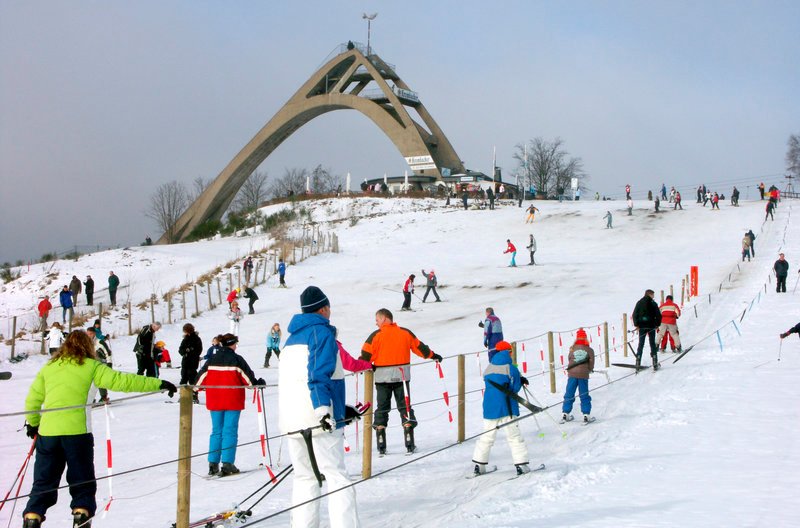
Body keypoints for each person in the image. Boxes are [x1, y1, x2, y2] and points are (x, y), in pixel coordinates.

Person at [22, 330, 174, 528]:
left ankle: (32, 517)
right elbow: (124, 381)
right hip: (77, 434)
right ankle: (81, 515)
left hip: (48, 434)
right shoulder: (93, 367)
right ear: (88, 346)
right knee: (81, 479)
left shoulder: (49, 367)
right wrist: (158, 383)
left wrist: (33, 424)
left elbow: (32, 399)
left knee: (43, 481)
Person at [278, 286, 361, 527]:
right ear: (323, 308)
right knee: (336, 476)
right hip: (318, 419)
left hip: (292, 419)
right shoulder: (321, 334)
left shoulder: (291, 340)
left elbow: (298, 383)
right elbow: (318, 375)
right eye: (329, 307)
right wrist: (324, 409)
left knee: (305, 478)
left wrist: (339, 408)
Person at [360, 308, 441, 455]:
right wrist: (433, 355)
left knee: (382, 408)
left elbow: (365, 355)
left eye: (377, 320)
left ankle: (381, 442)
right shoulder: (405, 333)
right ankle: (409, 440)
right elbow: (420, 348)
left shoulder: (375, 336)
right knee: (405, 406)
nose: (376, 323)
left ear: (384, 318)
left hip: (382, 379)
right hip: (402, 378)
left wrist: (363, 366)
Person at [196, 333, 262, 477]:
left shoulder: (212, 359)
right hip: (233, 400)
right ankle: (227, 464)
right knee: (230, 431)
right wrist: (258, 382)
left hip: (215, 400)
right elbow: (249, 382)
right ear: (232, 344)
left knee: (216, 431)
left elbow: (198, 382)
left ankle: (213, 464)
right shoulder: (237, 359)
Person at [471, 340, 532, 476]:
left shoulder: (488, 368)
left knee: (487, 436)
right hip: (506, 407)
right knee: (514, 436)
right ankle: (521, 466)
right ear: (509, 352)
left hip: (489, 407)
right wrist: (521, 381)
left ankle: (479, 466)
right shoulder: (511, 368)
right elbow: (514, 388)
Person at [561, 329, 595, 424]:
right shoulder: (589, 350)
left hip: (572, 374)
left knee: (569, 393)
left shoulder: (572, 349)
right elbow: (591, 363)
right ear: (585, 338)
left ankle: (565, 413)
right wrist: (589, 370)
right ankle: (586, 414)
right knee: (584, 394)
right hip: (583, 374)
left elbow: (569, 359)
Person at [632, 290, 662, 370]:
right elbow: (658, 315)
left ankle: (638, 361)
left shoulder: (639, 303)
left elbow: (634, 314)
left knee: (641, 344)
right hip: (651, 326)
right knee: (652, 344)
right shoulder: (653, 303)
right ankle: (655, 362)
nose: (653, 296)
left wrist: (636, 324)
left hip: (642, 326)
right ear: (650, 294)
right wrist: (657, 324)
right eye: (653, 295)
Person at [86, 327, 112, 403]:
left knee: (100, 381)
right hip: (91, 365)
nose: (89, 336)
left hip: (102, 364)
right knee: (89, 383)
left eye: (90, 334)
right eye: (87, 334)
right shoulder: (86, 343)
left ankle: (104, 398)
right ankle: (90, 399)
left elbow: (108, 352)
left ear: (94, 334)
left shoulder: (100, 342)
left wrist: (109, 363)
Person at [179, 323, 203, 402]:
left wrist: (191, 351)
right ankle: (183, 395)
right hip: (185, 361)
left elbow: (199, 350)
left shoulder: (196, 339)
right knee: (184, 377)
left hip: (192, 362)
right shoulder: (185, 339)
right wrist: (185, 351)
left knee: (192, 378)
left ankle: (194, 396)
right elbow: (180, 349)